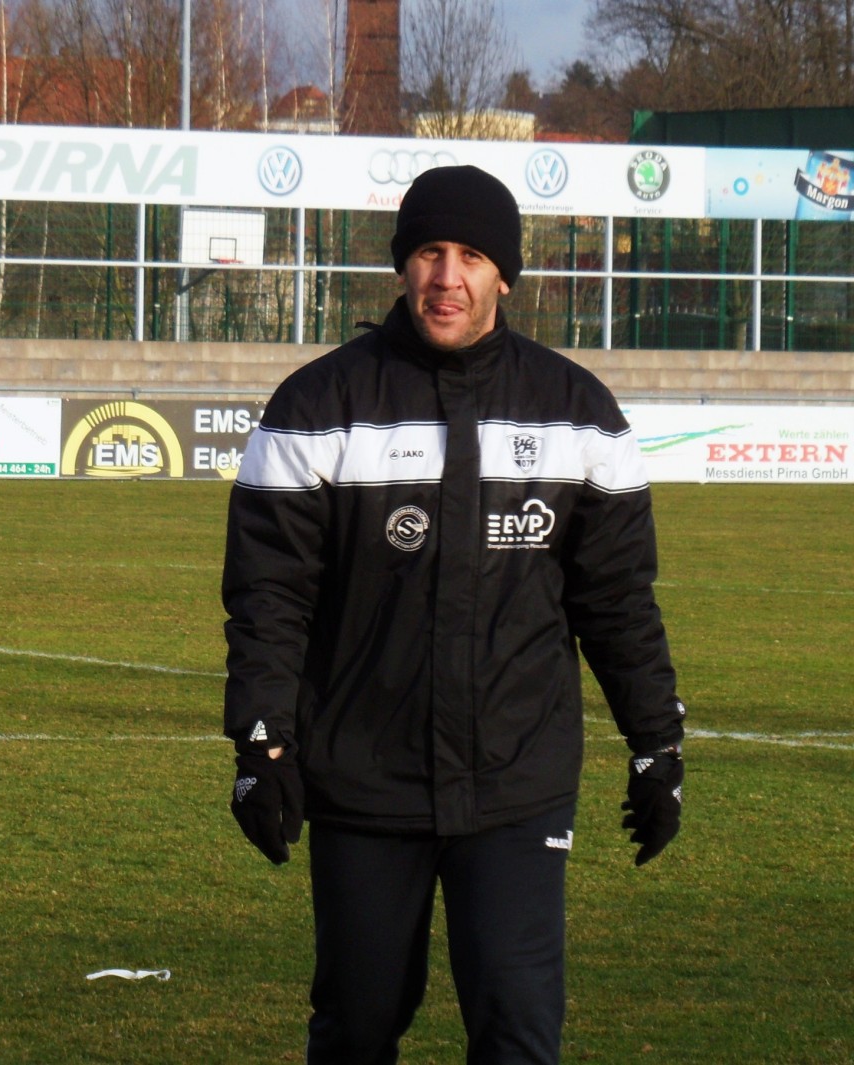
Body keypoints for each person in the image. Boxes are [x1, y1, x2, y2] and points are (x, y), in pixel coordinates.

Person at [222, 165, 685, 1065]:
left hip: (517, 779)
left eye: (471, 255)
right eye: (430, 252)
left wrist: (656, 743)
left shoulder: (580, 414)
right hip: (363, 778)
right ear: (403, 265)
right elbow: (269, 594)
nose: (448, 276)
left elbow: (619, 601)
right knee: (357, 1026)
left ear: (504, 275)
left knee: (517, 1027)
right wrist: (261, 740)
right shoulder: (317, 407)